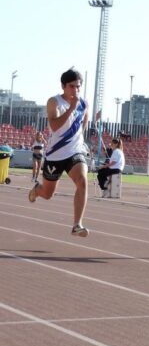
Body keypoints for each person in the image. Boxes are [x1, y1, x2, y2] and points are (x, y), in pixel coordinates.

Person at [28, 68, 91, 237]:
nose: (76, 90)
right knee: (48, 194)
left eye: (78, 87)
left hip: (75, 152)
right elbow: (55, 126)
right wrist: (71, 108)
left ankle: (77, 224)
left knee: (83, 181)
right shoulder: (54, 102)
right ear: (63, 86)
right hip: (55, 155)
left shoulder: (84, 103)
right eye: (72, 86)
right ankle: (37, 190)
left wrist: (79, 140)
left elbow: (84, 122)